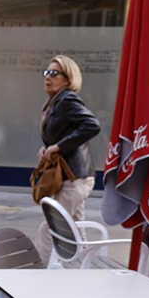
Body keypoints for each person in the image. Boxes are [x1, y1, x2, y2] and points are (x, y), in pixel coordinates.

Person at [35, 55, 102, 265]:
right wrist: (48, 148)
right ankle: (83, 271)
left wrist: (58, 147)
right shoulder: (56, 102)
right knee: (75, 227)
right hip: (72, 177)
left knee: (50, 228)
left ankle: (36, 275)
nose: (48, 77)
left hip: (75, 178)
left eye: (54, 73)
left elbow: (92, 125)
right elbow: (61, 133)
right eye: (46, 73)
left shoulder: (67, 99)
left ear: (68, 78)